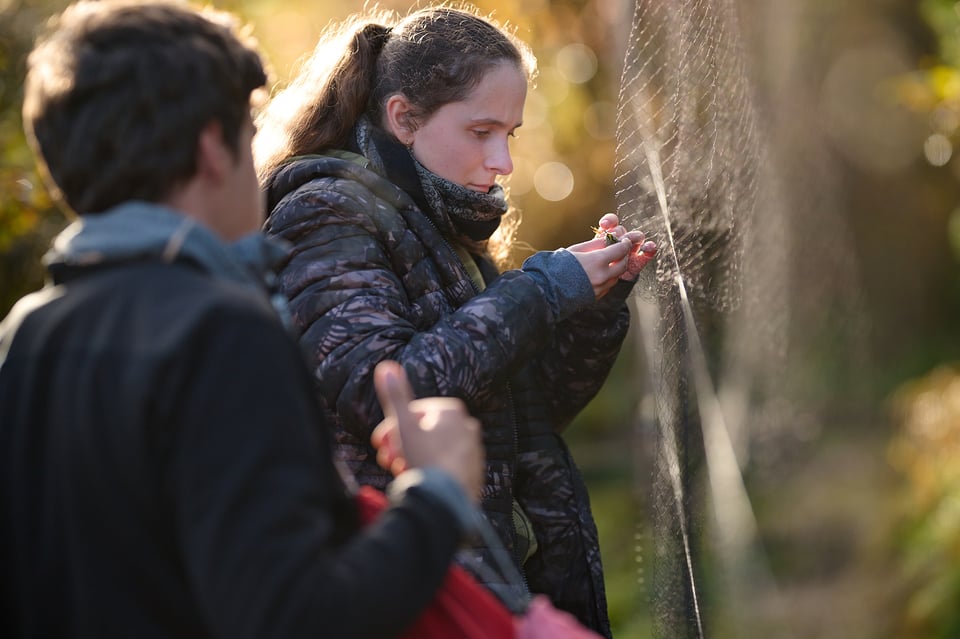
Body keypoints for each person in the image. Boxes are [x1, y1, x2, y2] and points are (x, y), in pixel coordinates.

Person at [0, 2, 486, 637]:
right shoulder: (220, 332)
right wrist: (437, 495)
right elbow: (297, 617)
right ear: (211, 147)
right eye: (247, 127)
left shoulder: (25, 334)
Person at [254, 5, 657, 636]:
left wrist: (591, 307)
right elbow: (384, 395)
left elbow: (526, 414)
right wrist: (544, 291)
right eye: (481, 131)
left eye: (512, 134)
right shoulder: (325, 214)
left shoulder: (442, 225)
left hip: (481, 582)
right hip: (402, 593)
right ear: (404, 119)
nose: (504, 162)